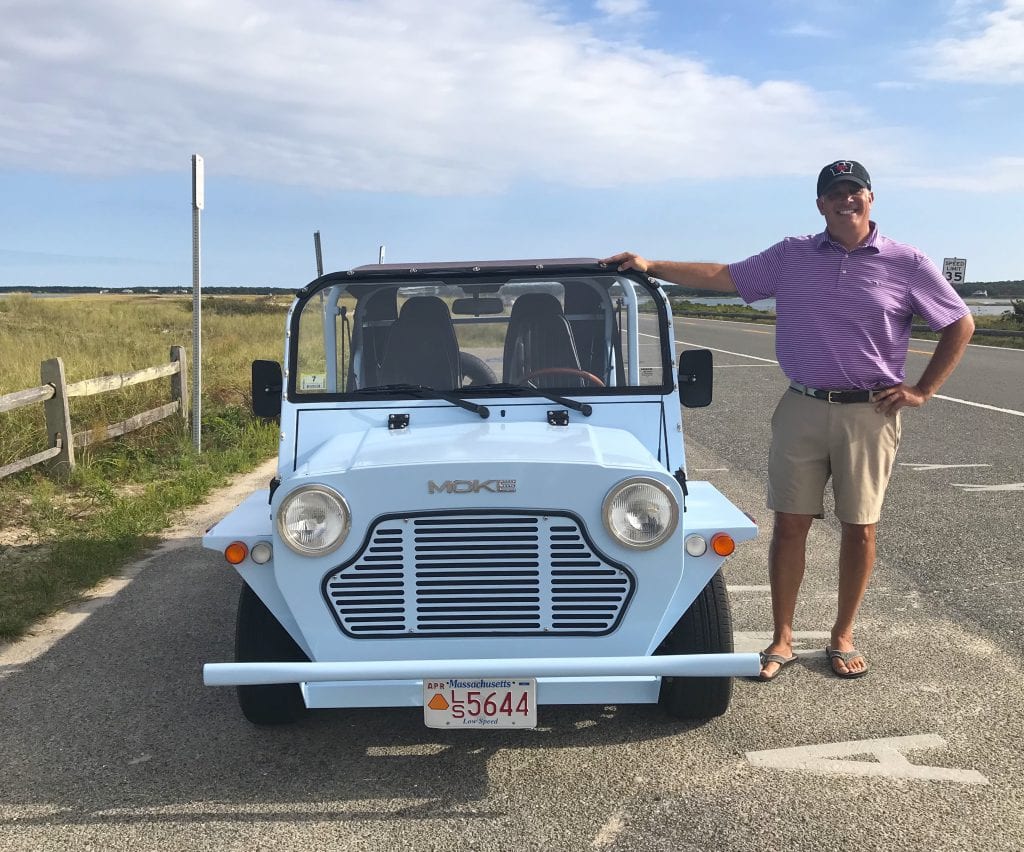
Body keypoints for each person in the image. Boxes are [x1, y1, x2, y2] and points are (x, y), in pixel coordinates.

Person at [604, 159, 974, 681]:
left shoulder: (906, 262)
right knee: (790, 525)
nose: (847, 199)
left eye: (855, 191)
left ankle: (842, 635)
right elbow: (726, 276)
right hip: (802, 404)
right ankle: (782, 637)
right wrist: (651, 266)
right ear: (820, 203)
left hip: (870, 411)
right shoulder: (793, 255)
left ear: (871, 198)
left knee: (860, 529)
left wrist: (922, 390)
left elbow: (960, 322)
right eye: (835, 193)